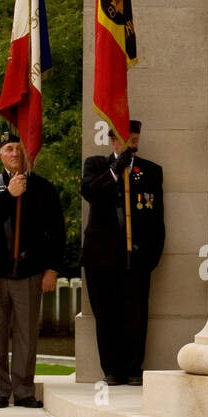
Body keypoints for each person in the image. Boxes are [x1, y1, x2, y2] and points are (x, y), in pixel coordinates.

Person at [0, 131, 65, 408]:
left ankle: (24, 390)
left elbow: (57, 232)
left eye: (18, 148)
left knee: (27, 334)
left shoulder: (44, 188)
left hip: (30, 271)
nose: (14, 153)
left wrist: (53, 268)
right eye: (9, 149)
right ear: (0, 154)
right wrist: (9, 196)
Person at [81, 120, 165, 386]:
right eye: (123, 138)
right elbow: (92, 193)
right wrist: (116, 170)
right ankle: (112, 369)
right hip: (101, 257)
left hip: (136, 257)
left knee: (135, 315)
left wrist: (152, 256)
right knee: (106, 315)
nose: (129, 143)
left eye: (133, 138)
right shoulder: (96, 165)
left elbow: (157, 218)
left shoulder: (150, 171)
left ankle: (133, 368)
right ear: (112, 140)